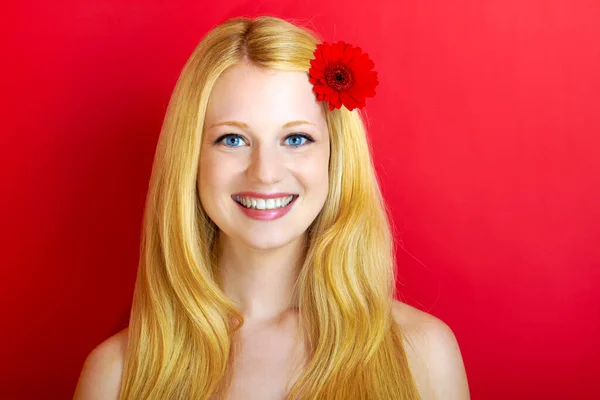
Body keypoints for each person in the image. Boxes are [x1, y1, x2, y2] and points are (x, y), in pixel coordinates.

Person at [74, 15, 470, 400]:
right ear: (191, 158)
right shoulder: (114, 376)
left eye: (296, 139)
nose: (265, 173)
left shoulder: (424, 355)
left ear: (336, 158)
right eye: (232, 139)